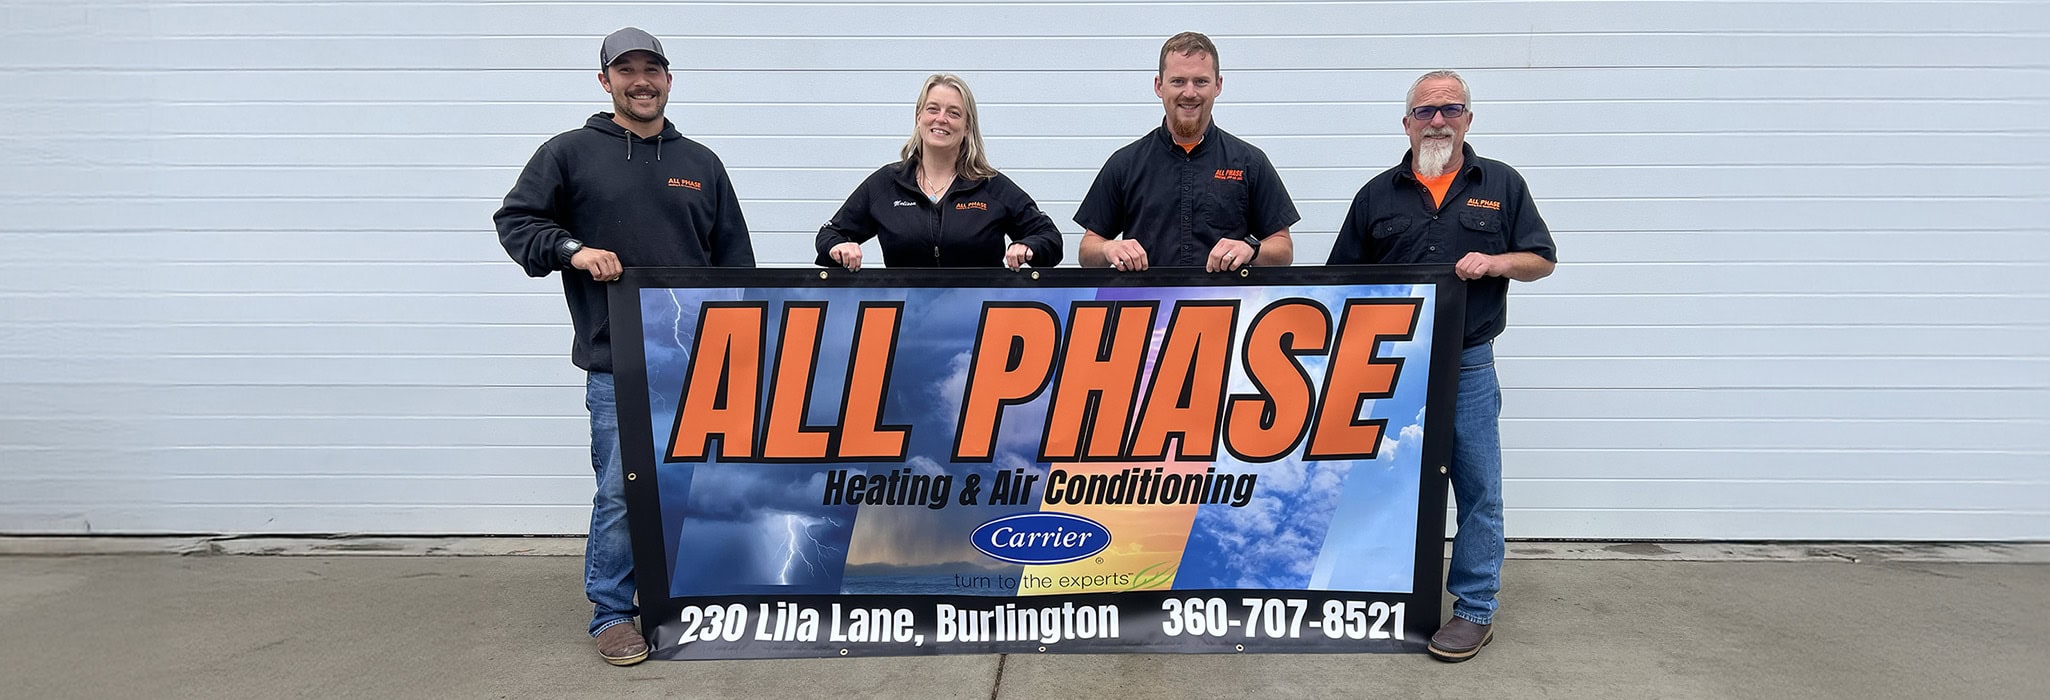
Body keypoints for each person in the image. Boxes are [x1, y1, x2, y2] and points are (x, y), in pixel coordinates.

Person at [493, 26, 755, 666]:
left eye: (653, 69)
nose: (642, 80)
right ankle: (612, 612)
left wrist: (743, 350)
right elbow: (518, 222)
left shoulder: (701, 165)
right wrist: (572, 250)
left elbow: (735, 265)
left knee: (693, 487)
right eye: (627, 69)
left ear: (669, 79)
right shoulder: (570, 154)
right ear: (605, 81)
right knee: (620, 490)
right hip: (619, 362)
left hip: (700, 364)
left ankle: (680, 600)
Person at [1325, 70, 1557, 663]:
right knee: (1379, 480)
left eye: (1450, 109)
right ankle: (1379, 594)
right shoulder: (1377, 195)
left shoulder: (1502, 185)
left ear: (1468, 119)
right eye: (1425, 112)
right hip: (1391, 368)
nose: (1437, 120)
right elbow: (1342, 278)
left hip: (1469, 363)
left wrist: (1498, 261)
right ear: (1405, 124)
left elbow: (1541, 260)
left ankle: (1474, 609)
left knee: (1479, 488)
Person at [1074, 31, 1298, 273]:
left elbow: (1283, 249)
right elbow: (1087, 251)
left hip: (1226, 307)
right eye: (1178, 81)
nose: (1189, 93)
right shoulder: (1125, 163)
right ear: (1159, 86)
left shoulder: (1249, 162)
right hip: (1149, 308)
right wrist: (1109, 248)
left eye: (1200, 81)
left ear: (1218, 85)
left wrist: (1251, 249)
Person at [817, 74, 1064, 270]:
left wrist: (1028, 246)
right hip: (909, 324)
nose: (941, 119)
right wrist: (839, 246)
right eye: (933, 109)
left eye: (953, 113)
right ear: (918, 117)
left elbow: (1050, 238)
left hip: (980, 325)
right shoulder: (886, 185)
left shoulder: (992, 186)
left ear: (967, 127)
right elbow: (830, 233)